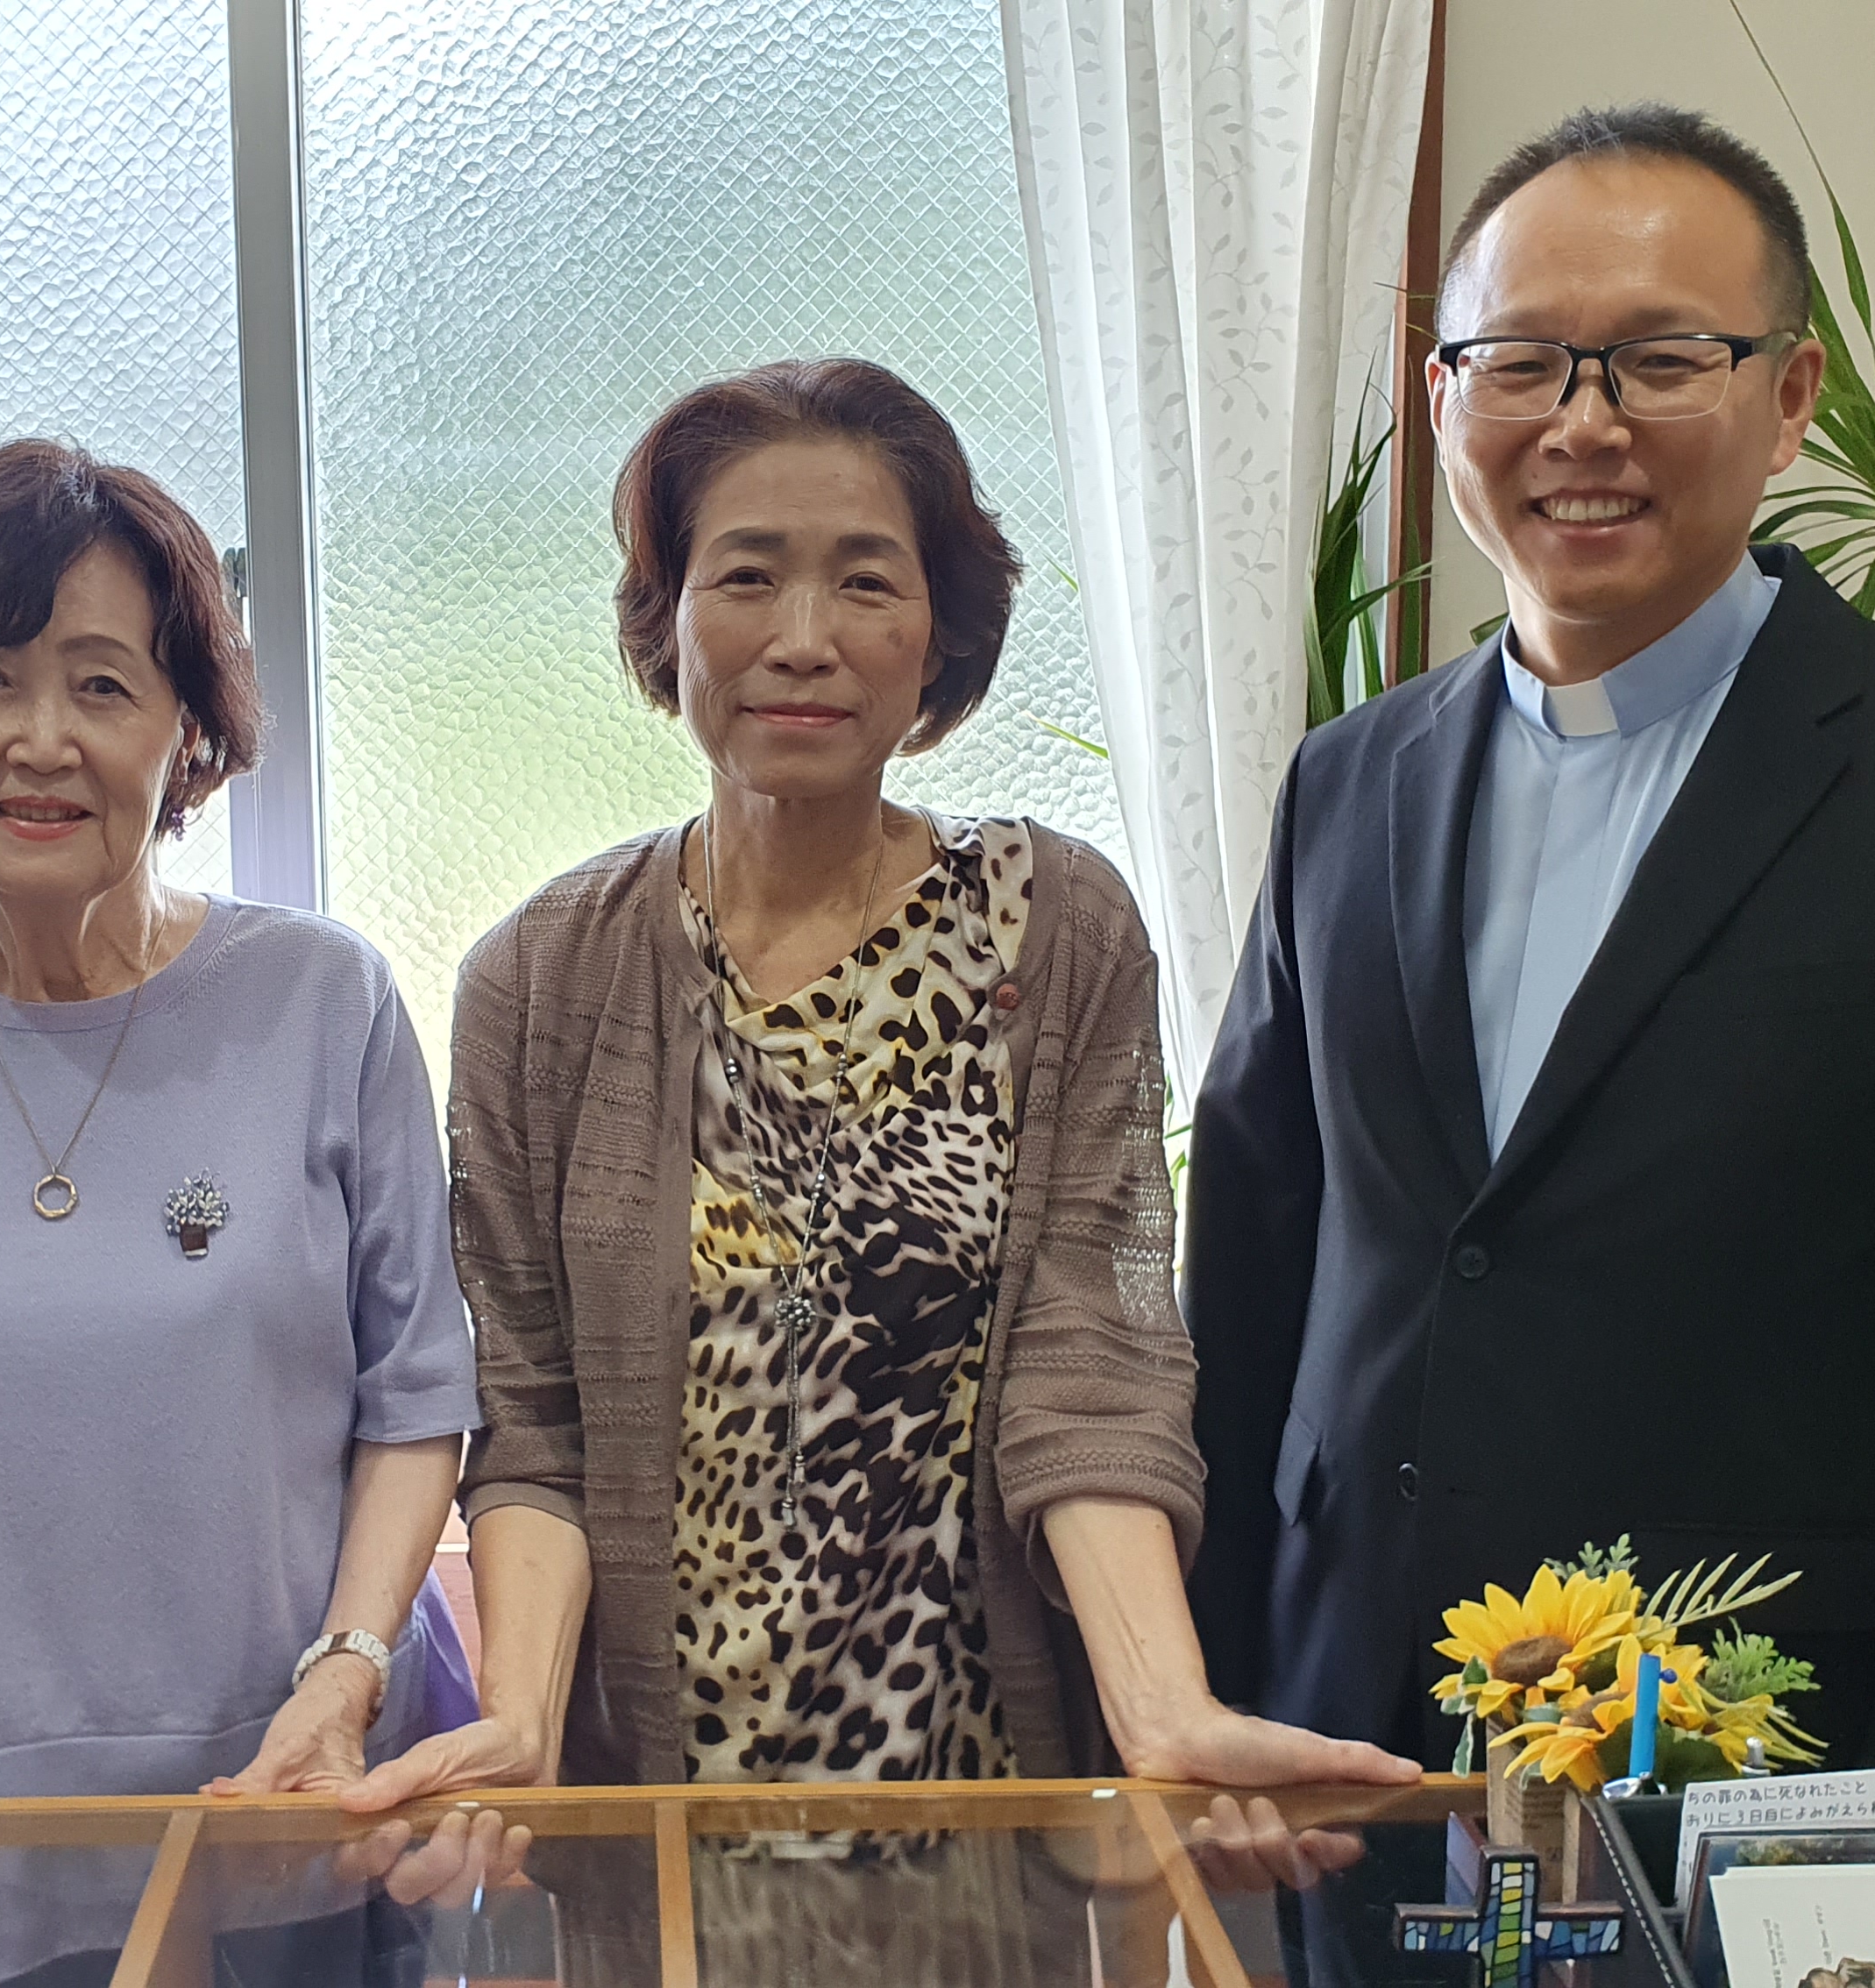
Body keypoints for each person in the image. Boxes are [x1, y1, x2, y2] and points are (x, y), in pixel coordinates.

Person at [1182, 104, 1875, 1931]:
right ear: (1442, 396)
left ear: (1789, 398)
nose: (1582, 423)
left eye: (1659, 360)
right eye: (1521, 362)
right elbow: (1250, 1271)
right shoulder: (1349, 782)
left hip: (1761, 1785)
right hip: (1350, 1762)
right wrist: (1217, 1701)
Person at [342, 359, 1413, 1971]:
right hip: (666, 1810)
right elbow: (534, 1414)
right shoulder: (542, 977)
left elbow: (1094, 1354)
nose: (803, 637)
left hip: (977, 1804)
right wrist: (522, 1721)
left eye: (865, 580)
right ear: (667, 621)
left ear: (940, 633)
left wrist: (1162, 1706)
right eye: (745, 575)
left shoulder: (1053, 930)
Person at [0, 439, 482, 1988]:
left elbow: (417, 1396)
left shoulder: (322, 1000)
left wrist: (350, 1671)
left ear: (187, 731)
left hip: (286, 1779)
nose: (42, 741)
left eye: (103, 686)